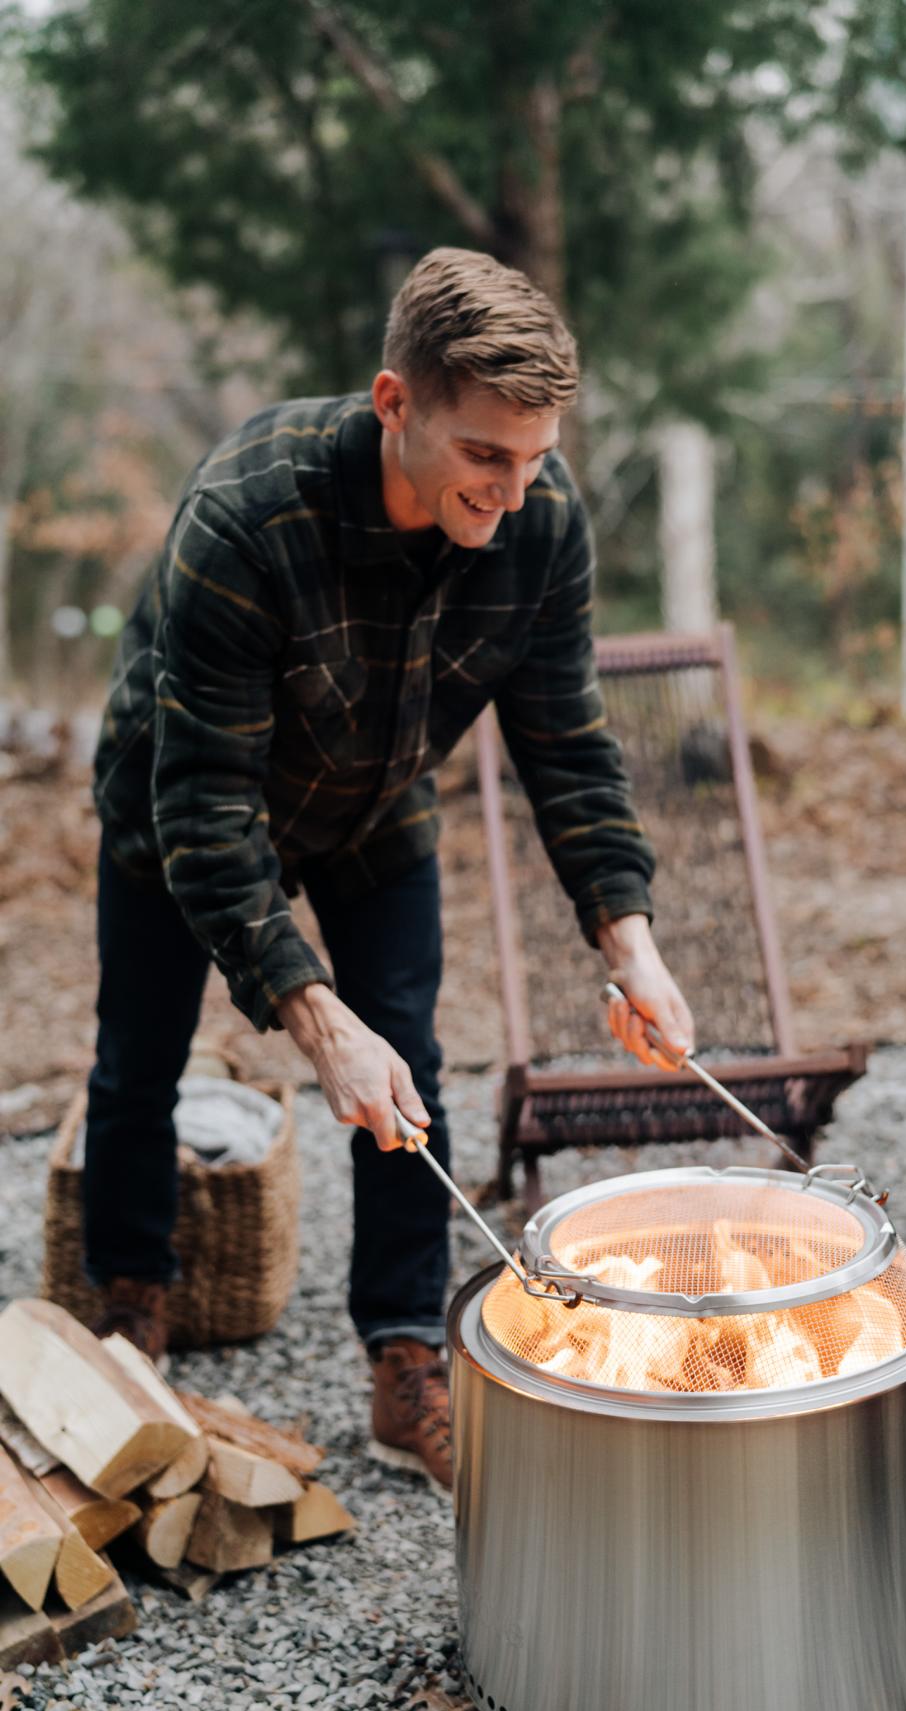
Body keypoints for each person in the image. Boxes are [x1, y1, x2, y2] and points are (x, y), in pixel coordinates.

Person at [84, 247, 694, 1487]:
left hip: (374, 806)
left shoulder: (541, 516)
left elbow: (567, 743)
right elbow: (205, 804)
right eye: (485, 456)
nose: (513, 491)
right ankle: (128, 1312)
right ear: (393, 402)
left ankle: (406, 1356)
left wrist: (631, 943)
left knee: (406, 1053)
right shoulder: (248, 513)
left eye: (535, 457)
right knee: (138, 1059)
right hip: (182, 802)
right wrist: (315, 1022)